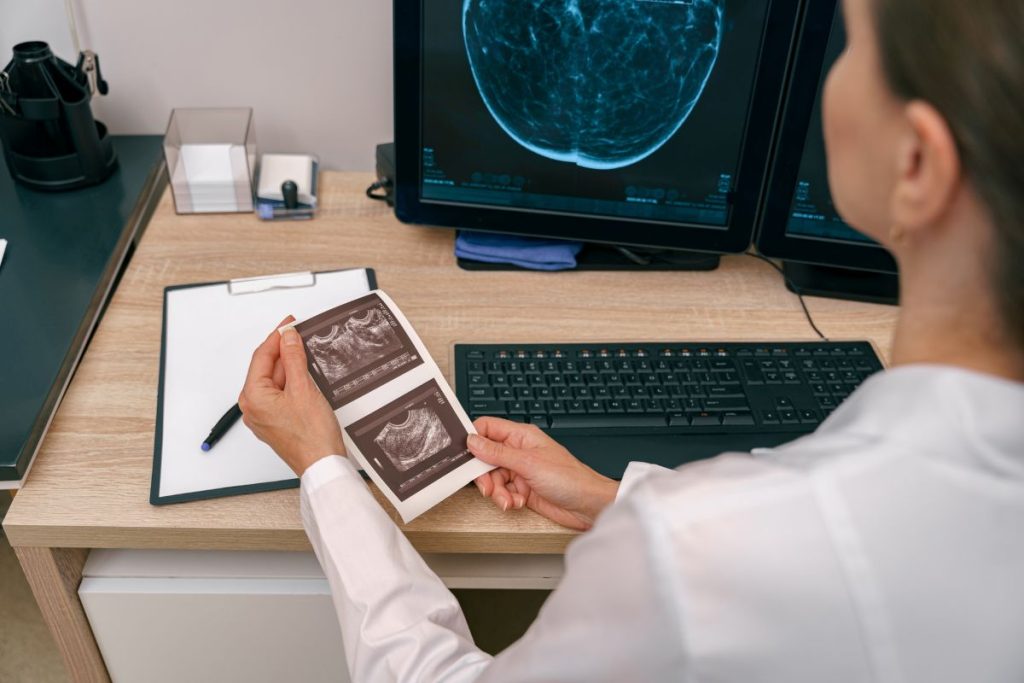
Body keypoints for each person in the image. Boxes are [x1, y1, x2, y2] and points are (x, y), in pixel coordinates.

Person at [238, 0, 1024, 680]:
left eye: (852, 47)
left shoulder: (692, 559)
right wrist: (617, 499)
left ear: (916, 163)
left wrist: (325, 471)